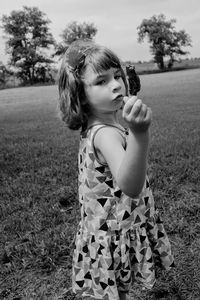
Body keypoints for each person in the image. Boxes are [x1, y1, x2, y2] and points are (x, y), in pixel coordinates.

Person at [58, 39, 174, 300]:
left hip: (108, 228)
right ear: (80, 95)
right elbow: (130, 186)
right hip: (114, 231)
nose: (116, 85)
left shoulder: (97, 128)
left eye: (117, 76)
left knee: (114, 290)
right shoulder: (107, 135)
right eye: (101, 81)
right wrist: (140, 133)